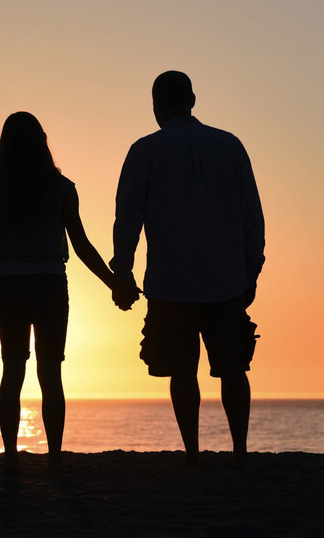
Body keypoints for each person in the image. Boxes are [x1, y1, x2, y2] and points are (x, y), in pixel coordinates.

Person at [110, 71, 265, 469]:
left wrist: (122, 270)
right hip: (226, 277)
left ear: (156, 106)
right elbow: (252, 217)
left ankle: (193, 453)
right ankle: (240, 451)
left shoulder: (145, 150)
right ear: (193, 99)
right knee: (233, 368)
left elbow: (128, 217)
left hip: (170, 280)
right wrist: (252, 271)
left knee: (182, 371)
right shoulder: (229, 145)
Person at [0, 112, 120, 475]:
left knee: (12, 371)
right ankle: (55, 456)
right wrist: (113, 282)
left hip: (9, 284)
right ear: (42, 140)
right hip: (49, 283)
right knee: (50, 372)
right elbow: (82, 246)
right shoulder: (62, 188)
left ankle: (11, 455)